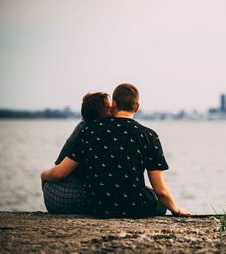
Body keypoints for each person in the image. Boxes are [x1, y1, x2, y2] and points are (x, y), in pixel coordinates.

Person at [41, 83, 190, 218]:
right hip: (135, 207)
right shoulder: (149, 135)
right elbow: (161, 191)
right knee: (157, 200)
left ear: (114, 104)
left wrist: (44, 175)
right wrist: (176, 210)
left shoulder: (89, 131)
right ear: (137, 107)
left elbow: (61, 171)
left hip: (96, 207)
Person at [42, 92, 111, 213]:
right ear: (100, 110)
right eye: (108, 107)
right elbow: (59, 171)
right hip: (67, 193)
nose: (112, 109)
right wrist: (43, 174)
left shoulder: (84, 127)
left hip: (55, 192)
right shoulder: (86, 130)